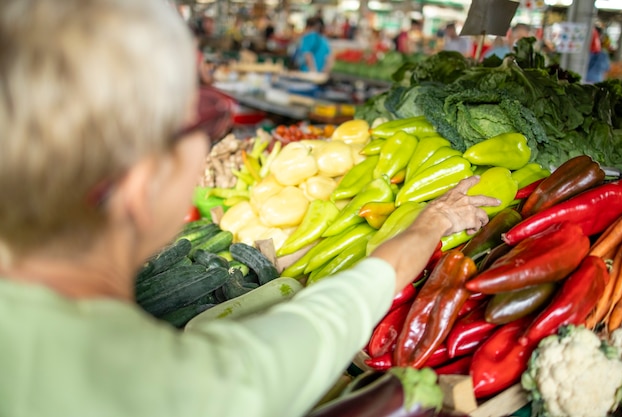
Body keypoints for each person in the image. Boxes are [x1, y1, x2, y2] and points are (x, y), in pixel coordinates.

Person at [0, 1, 500, 416]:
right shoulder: (186, 392)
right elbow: (327, 319)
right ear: (139, 184)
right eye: (199, 122)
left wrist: (432, 220)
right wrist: (434, 220)